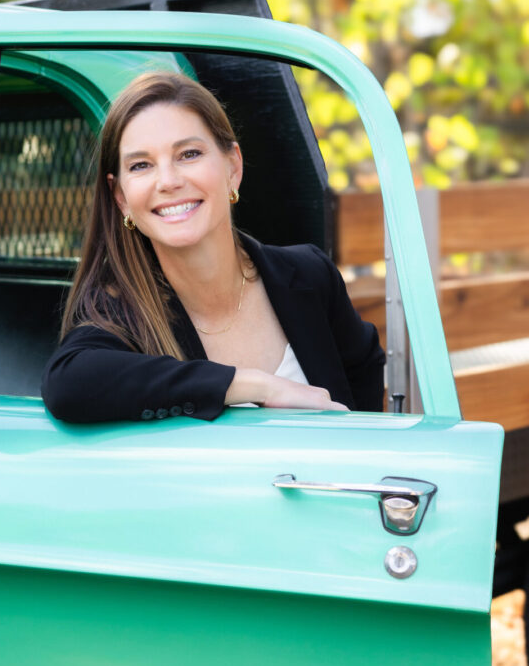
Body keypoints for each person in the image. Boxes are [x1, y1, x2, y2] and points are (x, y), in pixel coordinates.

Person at [42, 71, 384, 424]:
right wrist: (255, 386)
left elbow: (368, 407)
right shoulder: (118, 313)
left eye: (188, 154)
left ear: (232, 167)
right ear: (121, 197)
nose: (169, 181)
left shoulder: (310, 275)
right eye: (141, 165)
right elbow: (68, 384)